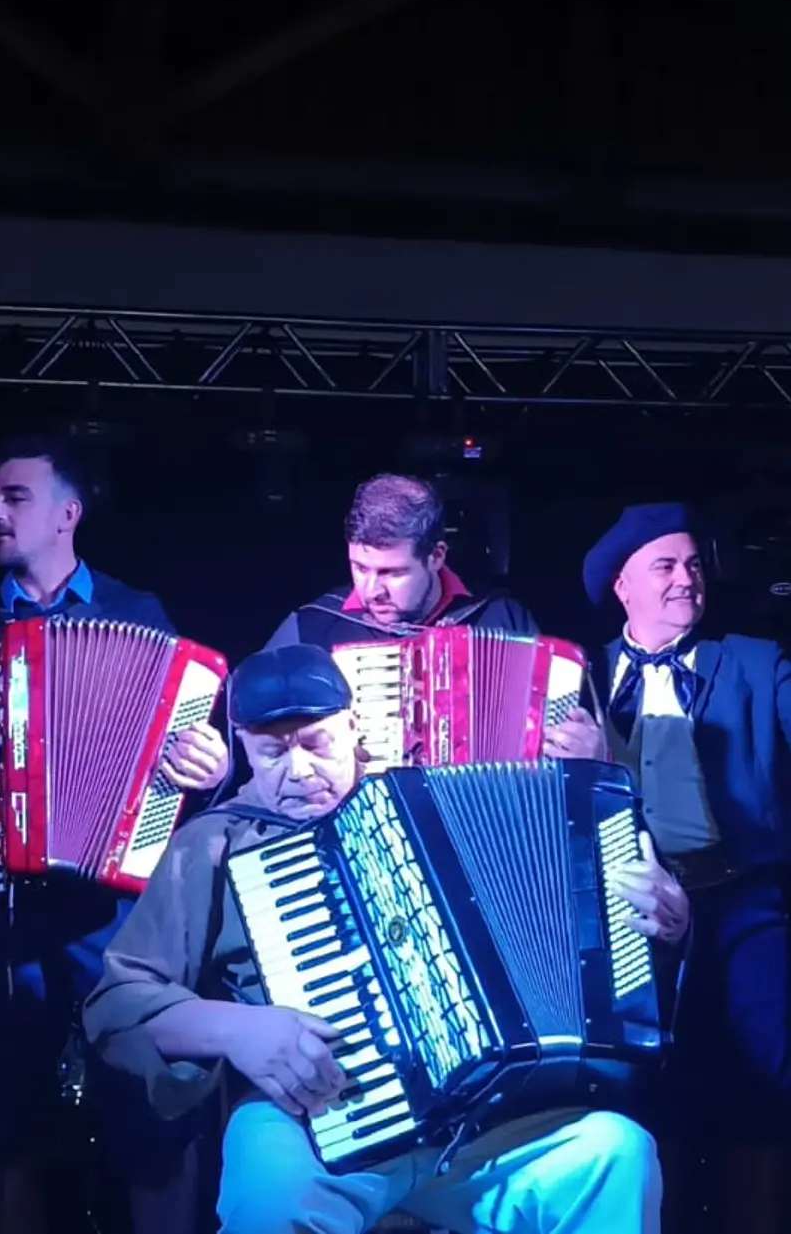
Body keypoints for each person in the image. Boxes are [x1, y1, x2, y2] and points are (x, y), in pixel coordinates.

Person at [84, 643, 688, 1234]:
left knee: (616, 1153)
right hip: (313, 1115)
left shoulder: (427, 806)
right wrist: (237, 1029)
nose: (298, 770)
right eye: (272, 753)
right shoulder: (214, 842)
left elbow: (586, 932)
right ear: (242, 748)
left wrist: (666, 921)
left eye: (316, 743)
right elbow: (118, 1002)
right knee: (268, 1200)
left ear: (353, 727)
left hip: (479, 1121)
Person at [0, 432, 216, 1234]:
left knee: (152, 1121)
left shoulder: (138, 615)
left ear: (68, 512)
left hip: (117, 917)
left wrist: (210, 764)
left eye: (16, 497)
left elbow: (195, 759)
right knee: (5, 1130)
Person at [584, 502, 791, 1221]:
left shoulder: (758, 662)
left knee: (769, 1072)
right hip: (629, 908)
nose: (686, 579)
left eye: (694, 563)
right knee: (642, 1085)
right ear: (623, 586)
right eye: (665, 565)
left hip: (743, 899)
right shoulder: (581, 682)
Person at [165, 472, 603, 794]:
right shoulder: (313, 626)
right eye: (360, 568)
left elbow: (557, 751)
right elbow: (246, 732)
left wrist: (589, 755)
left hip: (486, 831)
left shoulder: (502, 620)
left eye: (392, 572)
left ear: (436, 556)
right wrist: (219, 766)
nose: (372, 589)